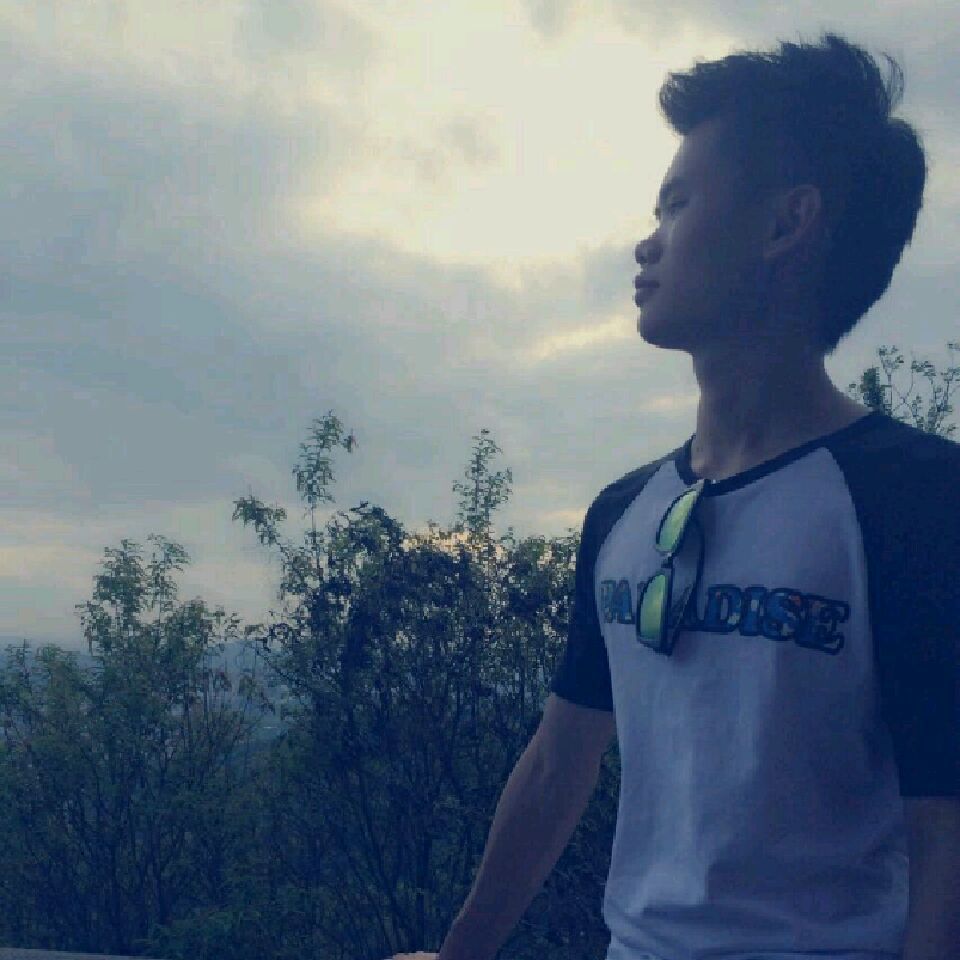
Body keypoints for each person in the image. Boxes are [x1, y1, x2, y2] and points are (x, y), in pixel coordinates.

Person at [394, 30, 959, 960]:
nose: (646, 243)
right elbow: (557, 764)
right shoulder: (624, 515)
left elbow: (946, 829)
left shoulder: (919, 500)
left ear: (786, 224)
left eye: (678, 203)